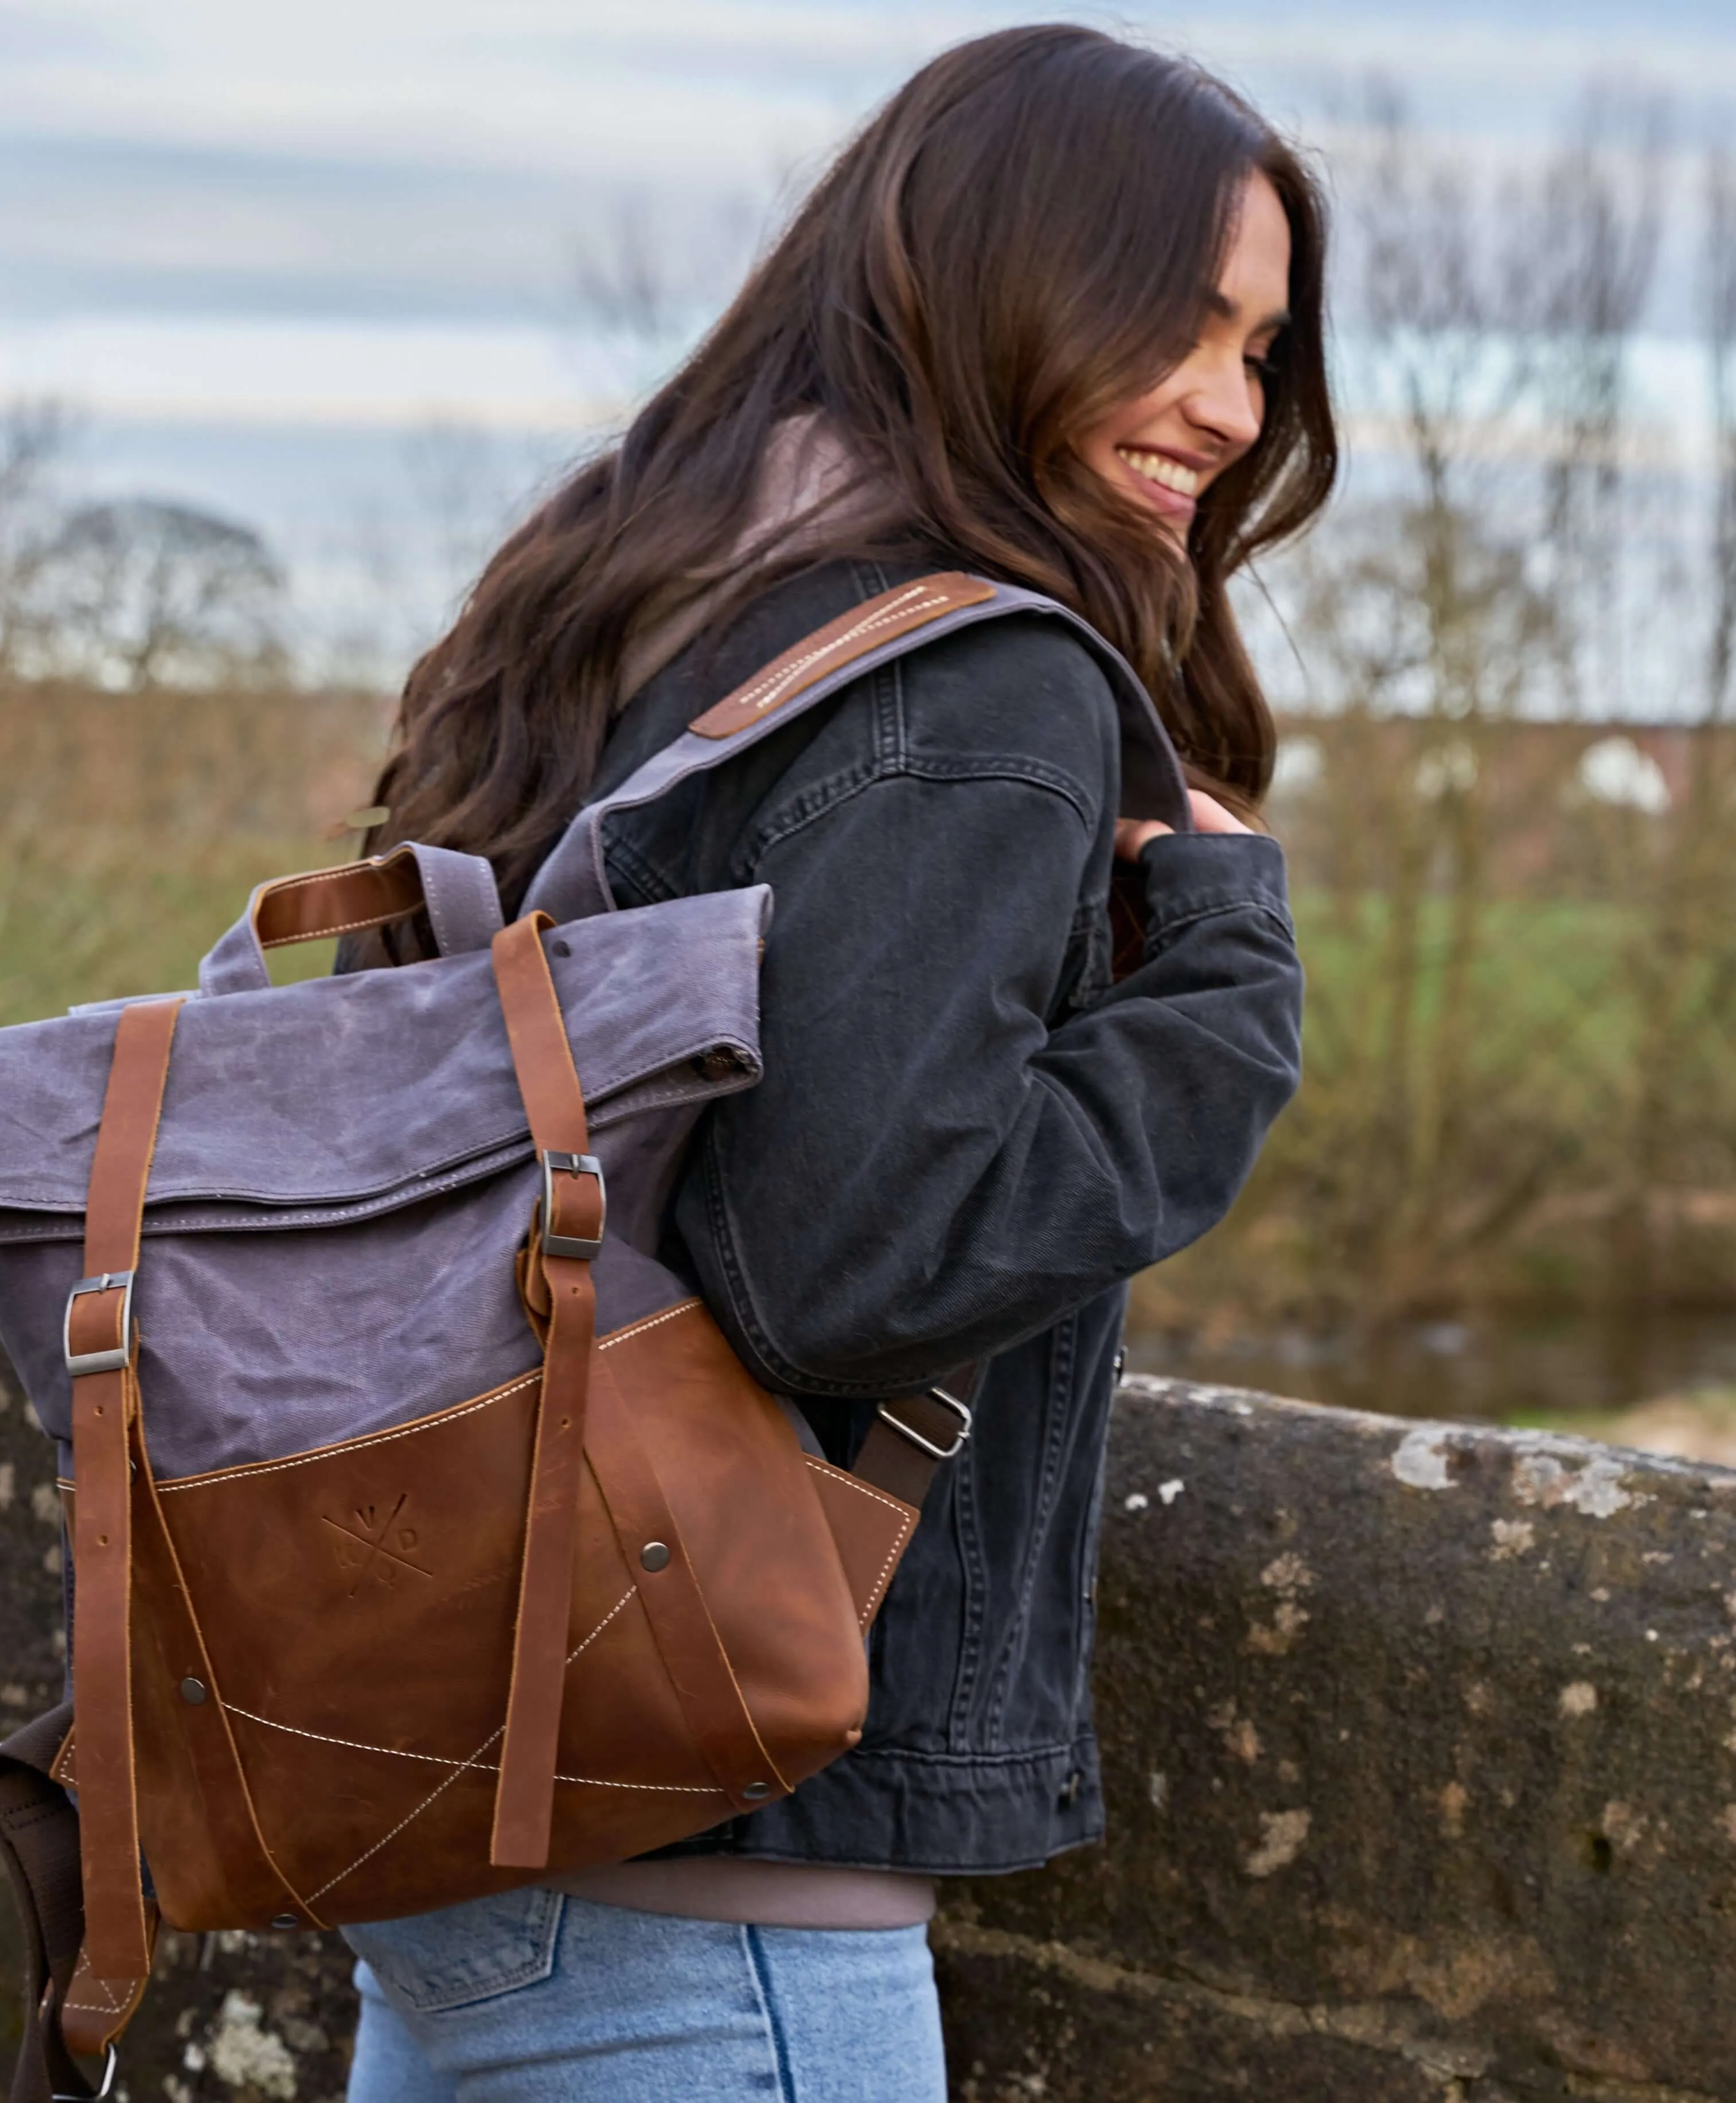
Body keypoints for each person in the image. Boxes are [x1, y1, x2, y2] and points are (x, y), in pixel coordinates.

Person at [337, 24, 1327, 2101]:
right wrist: (1227, 981)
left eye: (1264, 352)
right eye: (1193, 327)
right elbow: (859, 1262)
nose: (1235, 412)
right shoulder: (974, 676)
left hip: (457, 1821)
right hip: (718, 1909)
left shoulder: (644, 593)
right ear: (1006, 277)